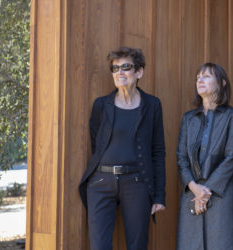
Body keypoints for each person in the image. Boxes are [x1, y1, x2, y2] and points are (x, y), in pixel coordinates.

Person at [78, 47, 166, 250]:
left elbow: (158, 151)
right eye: (115, 68)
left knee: (137, 245)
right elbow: (96, 143)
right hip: (101, 182)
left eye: (126, 67)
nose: (119, 72)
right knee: (99, 245)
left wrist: (159, 195)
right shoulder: (101, 105)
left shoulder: (152, 105)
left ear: (139, 72)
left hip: (136, 182)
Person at [176, 63, 233, 250]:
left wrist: (206, 192)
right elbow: (181, 158)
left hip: (222, 194)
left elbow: (232, 156)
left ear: (222, 83)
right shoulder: (188, 119)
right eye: (198, 77)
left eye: (206, 76)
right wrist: (194, 188)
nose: (200, 79)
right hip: (191, 194)